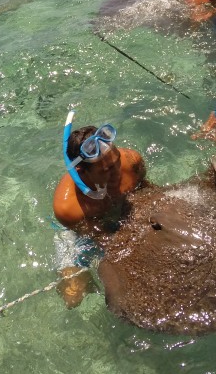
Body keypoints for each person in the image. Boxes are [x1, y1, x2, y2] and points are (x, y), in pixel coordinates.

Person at [53, 111, 147, 308]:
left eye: (116, 162)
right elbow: (102, 240)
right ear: (81, 171)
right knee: (73, 297)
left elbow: (147, 194)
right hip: (82, 234)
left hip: (122, 210)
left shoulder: (132, 161)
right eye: (104, 171)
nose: (115, 174)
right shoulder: (68, 207)